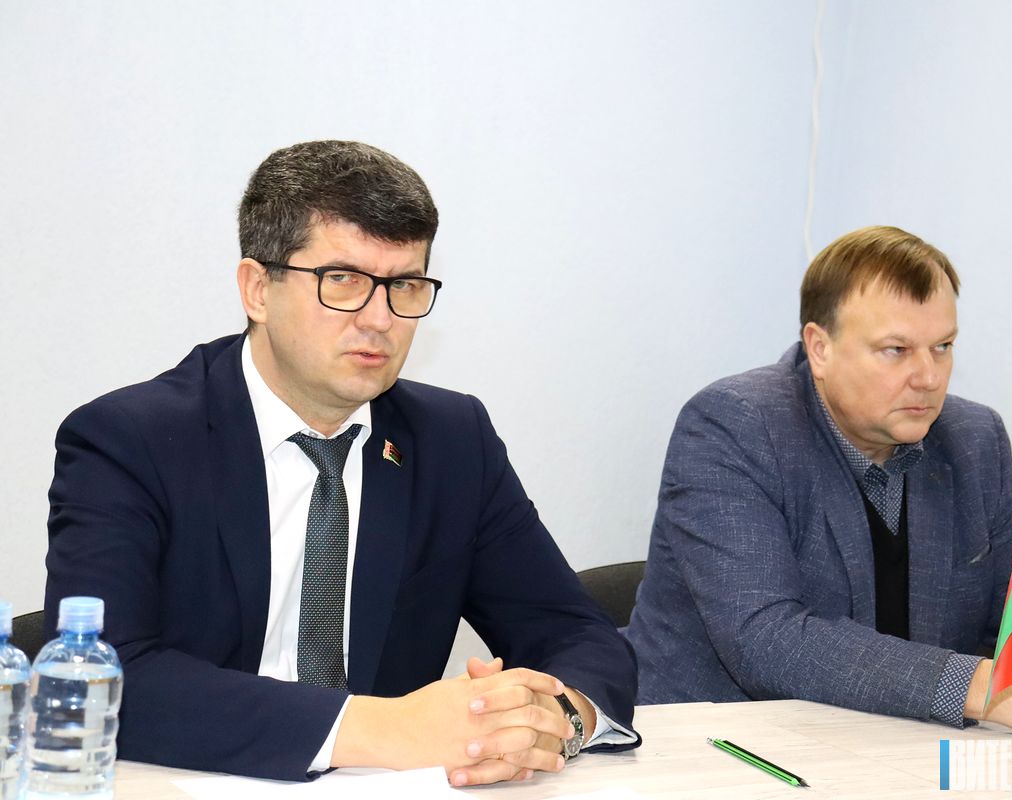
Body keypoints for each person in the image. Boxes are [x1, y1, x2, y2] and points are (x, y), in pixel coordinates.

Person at [44, 140, 639, 785]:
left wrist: (555, 718)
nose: (380, 319)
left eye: (404, 285)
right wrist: (384, 728)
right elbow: (102, 675)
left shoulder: (451, 440)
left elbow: (574, 633)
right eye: (344, 281)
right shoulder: (129, 440)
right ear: (257, 290)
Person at [625, 225, 1012, 733]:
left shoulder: (975, 439)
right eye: (896, 350)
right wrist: (986, 686)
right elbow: (766, 638)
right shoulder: (734, 426)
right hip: (716, 745)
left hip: (898, 747)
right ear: (819, 348)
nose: (929, 377)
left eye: (942, 346)